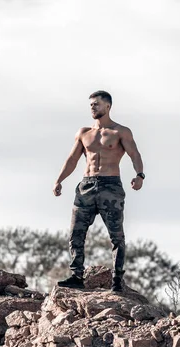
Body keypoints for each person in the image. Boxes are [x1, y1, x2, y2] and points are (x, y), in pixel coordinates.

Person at [53, 90, 145, 292]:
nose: (92, 107)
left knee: (116, 236)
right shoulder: (84, 133)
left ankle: (117, 280)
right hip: (86, 185)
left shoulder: (121, 131)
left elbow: (134, 154)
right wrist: (59, 180)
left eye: (96, 104)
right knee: (76, 233)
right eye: (91, 105)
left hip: (110, 185)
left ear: (108, 106)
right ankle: (77, 275)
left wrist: (140, 175)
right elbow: (72, 159)